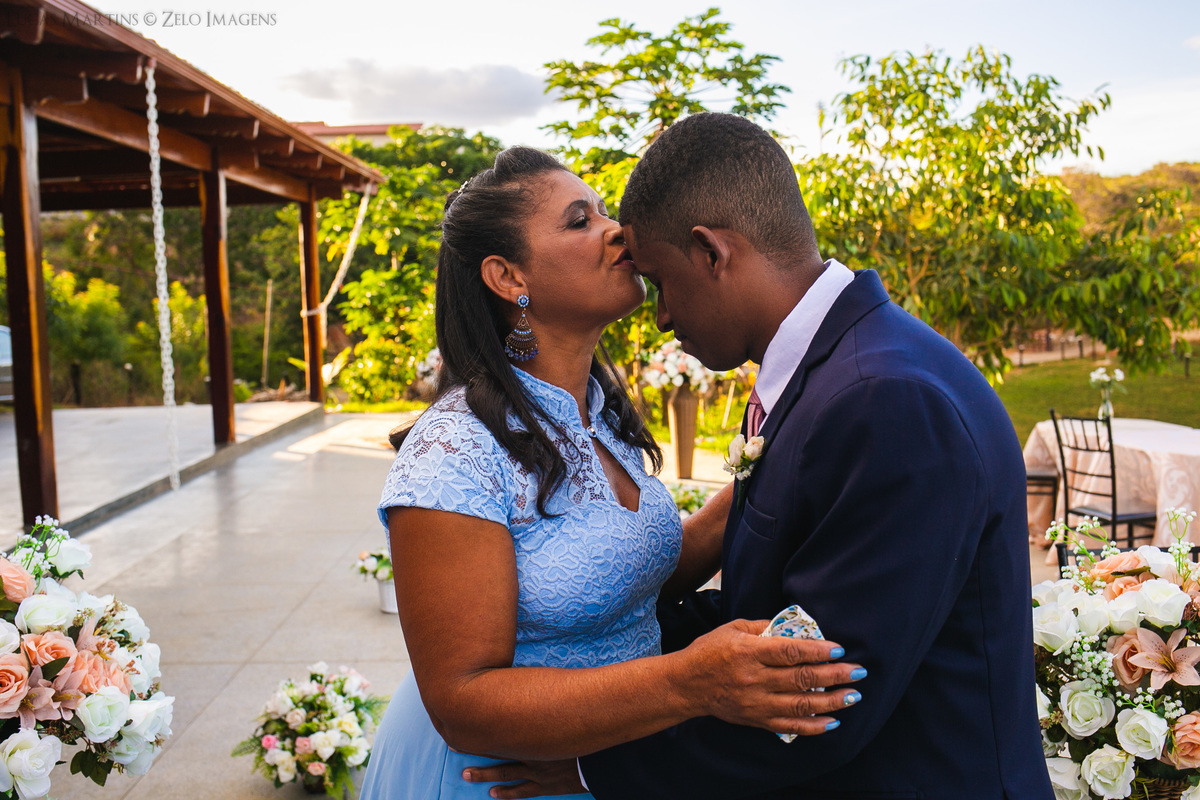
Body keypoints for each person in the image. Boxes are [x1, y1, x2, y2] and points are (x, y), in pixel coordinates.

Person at [465, 115, 1052, 799]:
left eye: (657, 282)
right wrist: (587, 656)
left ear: (712, 254)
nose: (657, 318)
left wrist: (593, 765)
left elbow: (819, 691)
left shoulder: (884, 400)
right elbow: (769, 606)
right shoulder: (834, 371)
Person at [359, 146, 866, 800]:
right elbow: (462, 702)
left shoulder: (598, 415)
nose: (616, 230)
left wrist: (781, 452)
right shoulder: (456, 449)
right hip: (499, 780)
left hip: (608, 766)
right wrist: (691, 682)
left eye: (603, 210)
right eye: (580, 221)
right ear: (508, 276)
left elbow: (624, 569)